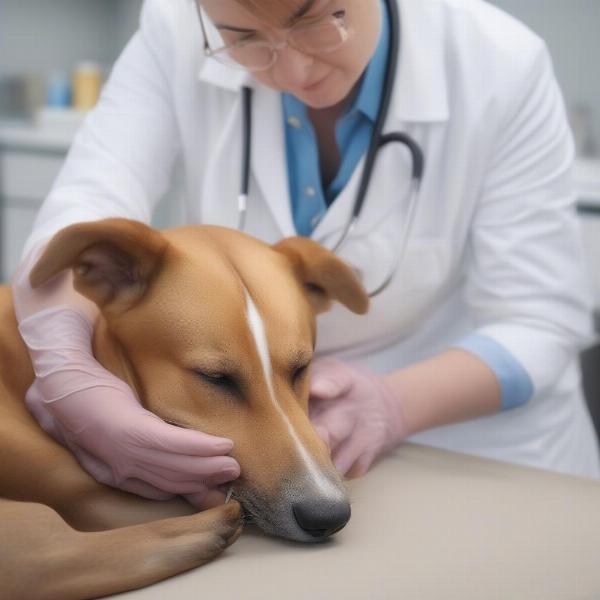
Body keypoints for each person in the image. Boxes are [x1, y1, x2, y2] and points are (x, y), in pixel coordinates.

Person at [12, 0, 600, 509]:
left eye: (318, 19)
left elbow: (542, 323)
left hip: (473, 447)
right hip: (261, 443)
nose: (291, 70)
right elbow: (84, 210)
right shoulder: (178, 26)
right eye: (244, 38)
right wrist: (66, 366)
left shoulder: (499, 62)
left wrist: (394, 404)